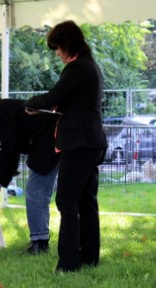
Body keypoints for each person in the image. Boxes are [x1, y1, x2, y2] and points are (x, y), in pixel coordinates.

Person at [24, 20, 108, 273]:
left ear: (68, 44)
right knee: (86, 201)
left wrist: (29, 104)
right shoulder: (91, 66)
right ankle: (89, 257)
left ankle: (69, 263)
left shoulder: (77, 69)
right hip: (92, 141)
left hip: (79, 143)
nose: (57, 53)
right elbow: (70, 104)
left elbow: (53, 97)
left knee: (66, 201)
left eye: (58, 48)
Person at [0, 99, 60, 255]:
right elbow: (12, 152)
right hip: (50, 139)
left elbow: (9, 148)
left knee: (36, 191)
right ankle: (39, 241)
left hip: (49, 141)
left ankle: (39, 245)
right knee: (39, 191)